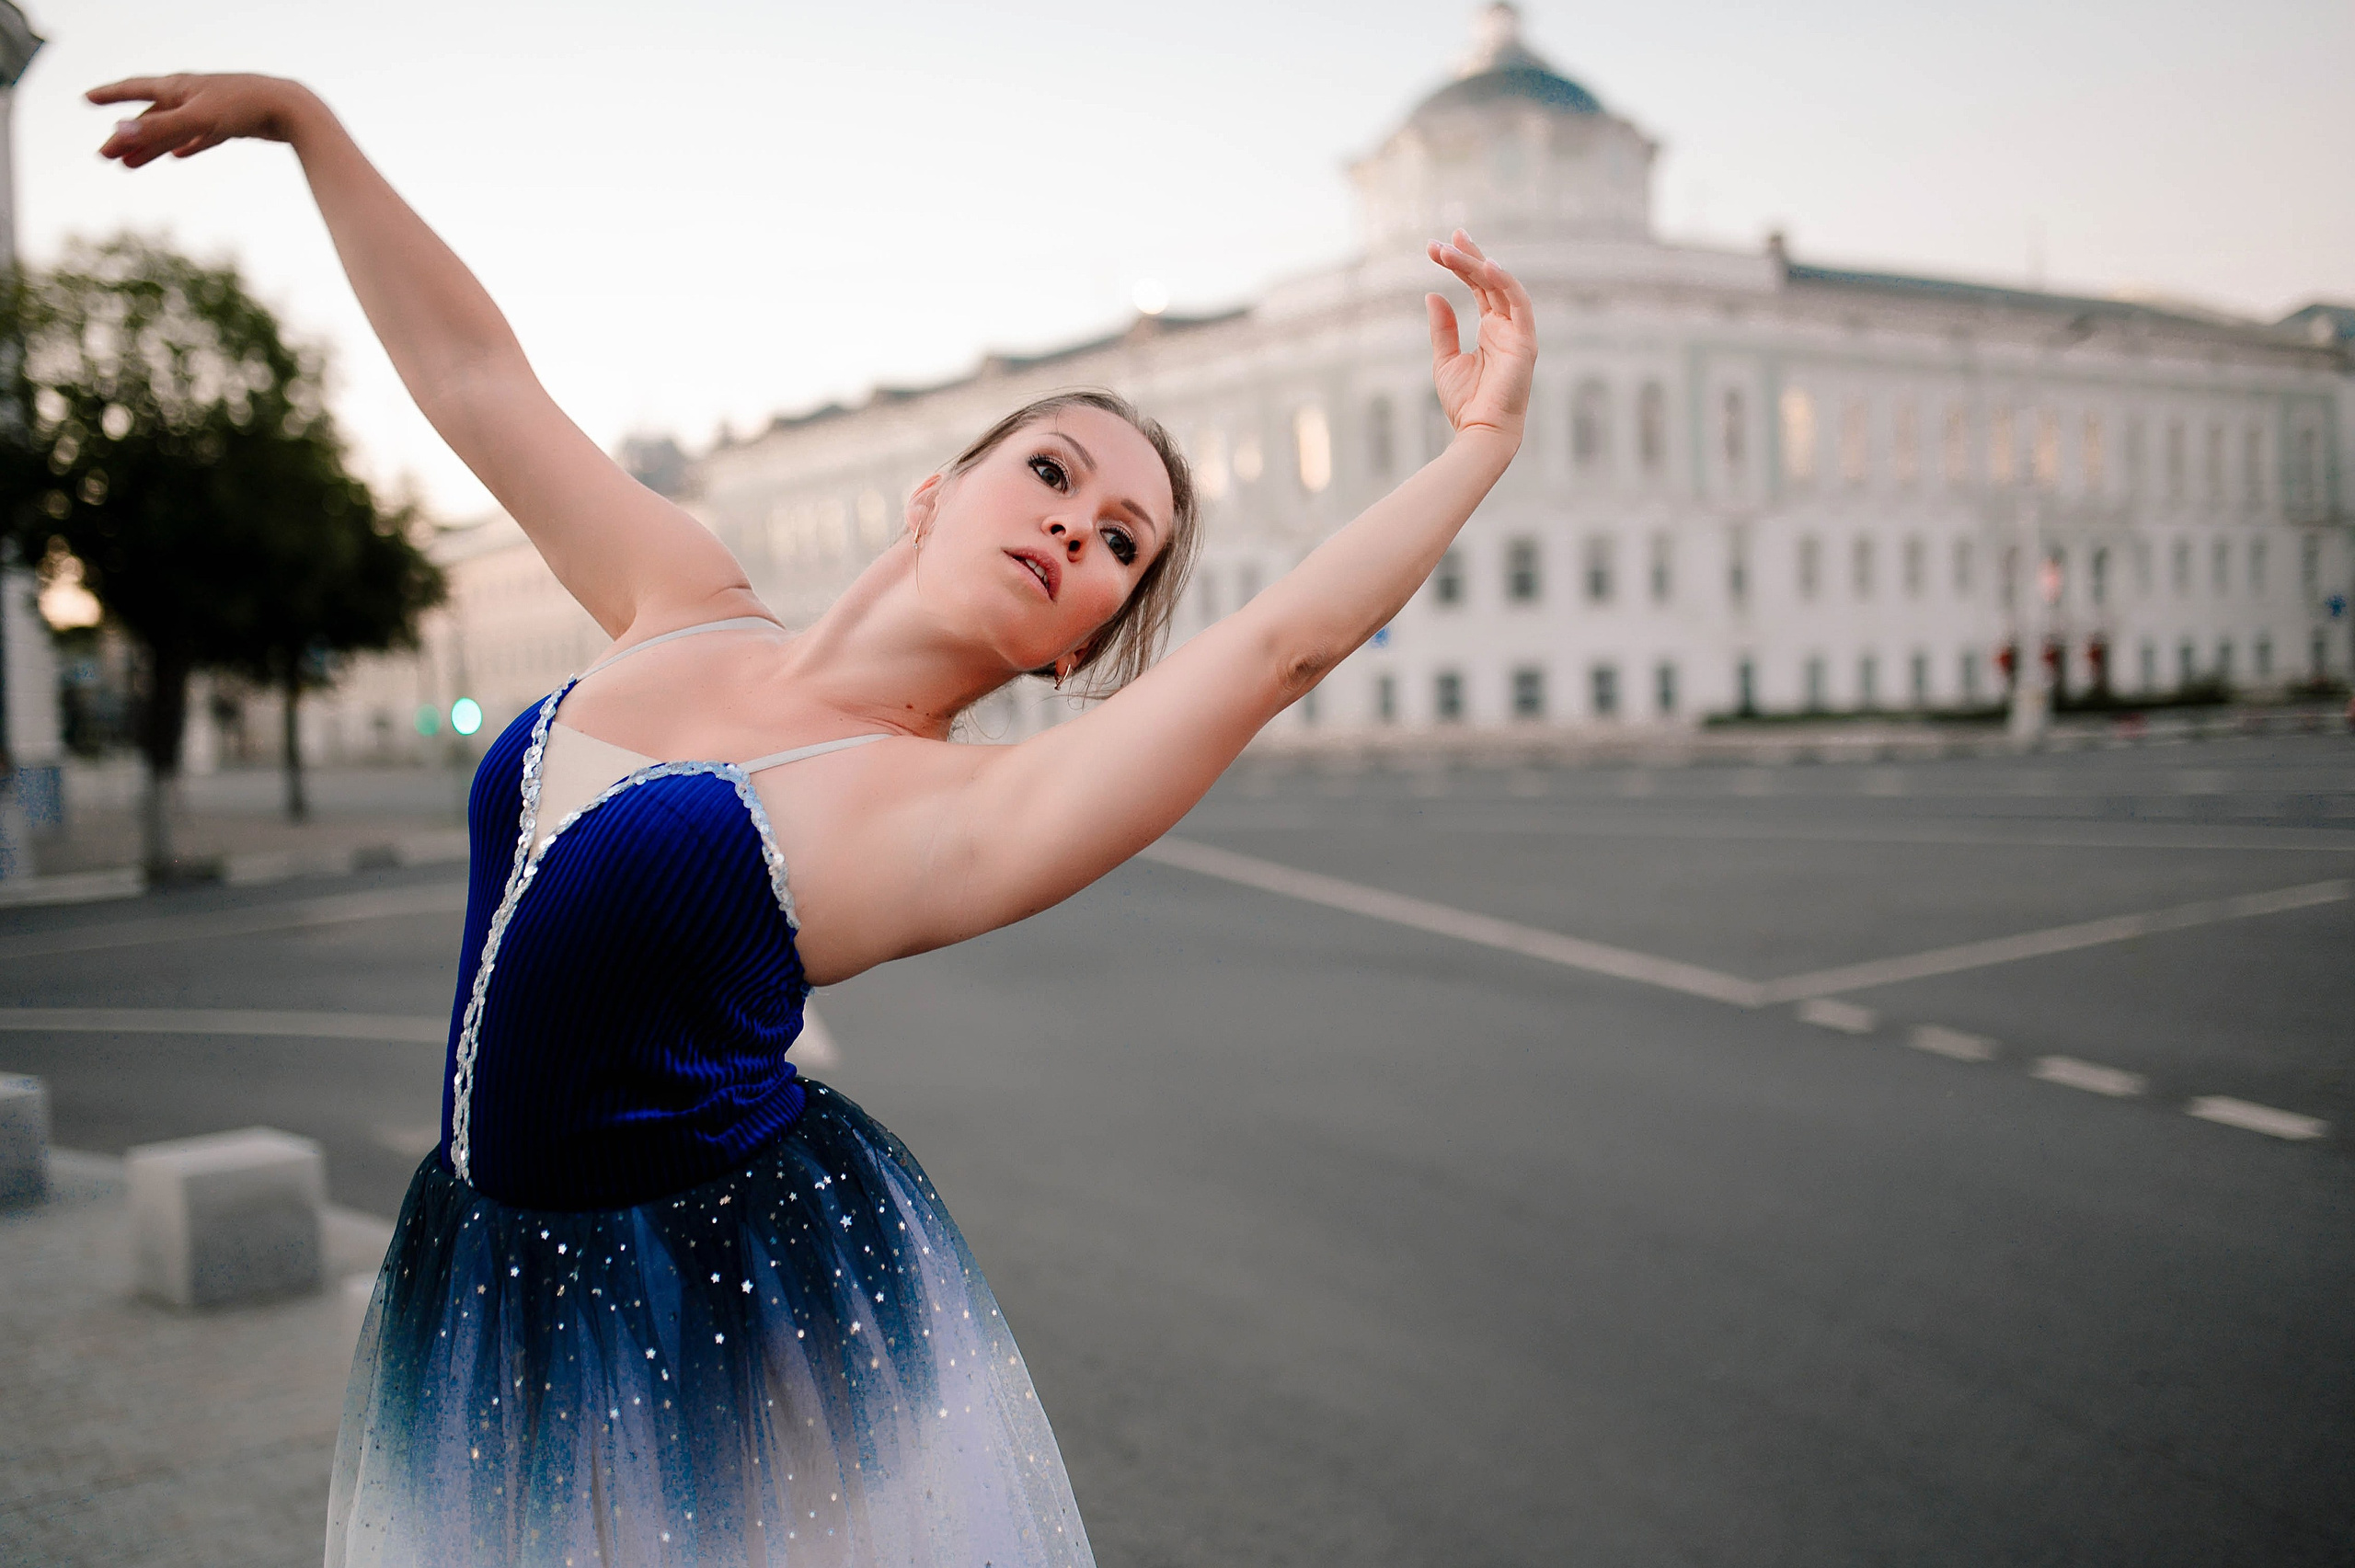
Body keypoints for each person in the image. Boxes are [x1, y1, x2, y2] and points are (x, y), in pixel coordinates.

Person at [92, 71, 1535, 1568]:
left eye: (1120, 542)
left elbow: (1274, 652)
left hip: (693, 1313)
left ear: (1079, 646)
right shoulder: (682, 593)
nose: (1071, 525)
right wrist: (306, 125)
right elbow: (475, 380)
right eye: (1050, 472)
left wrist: (1477, 448)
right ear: (936, 493)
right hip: (476, 1271)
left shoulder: (955, 810)